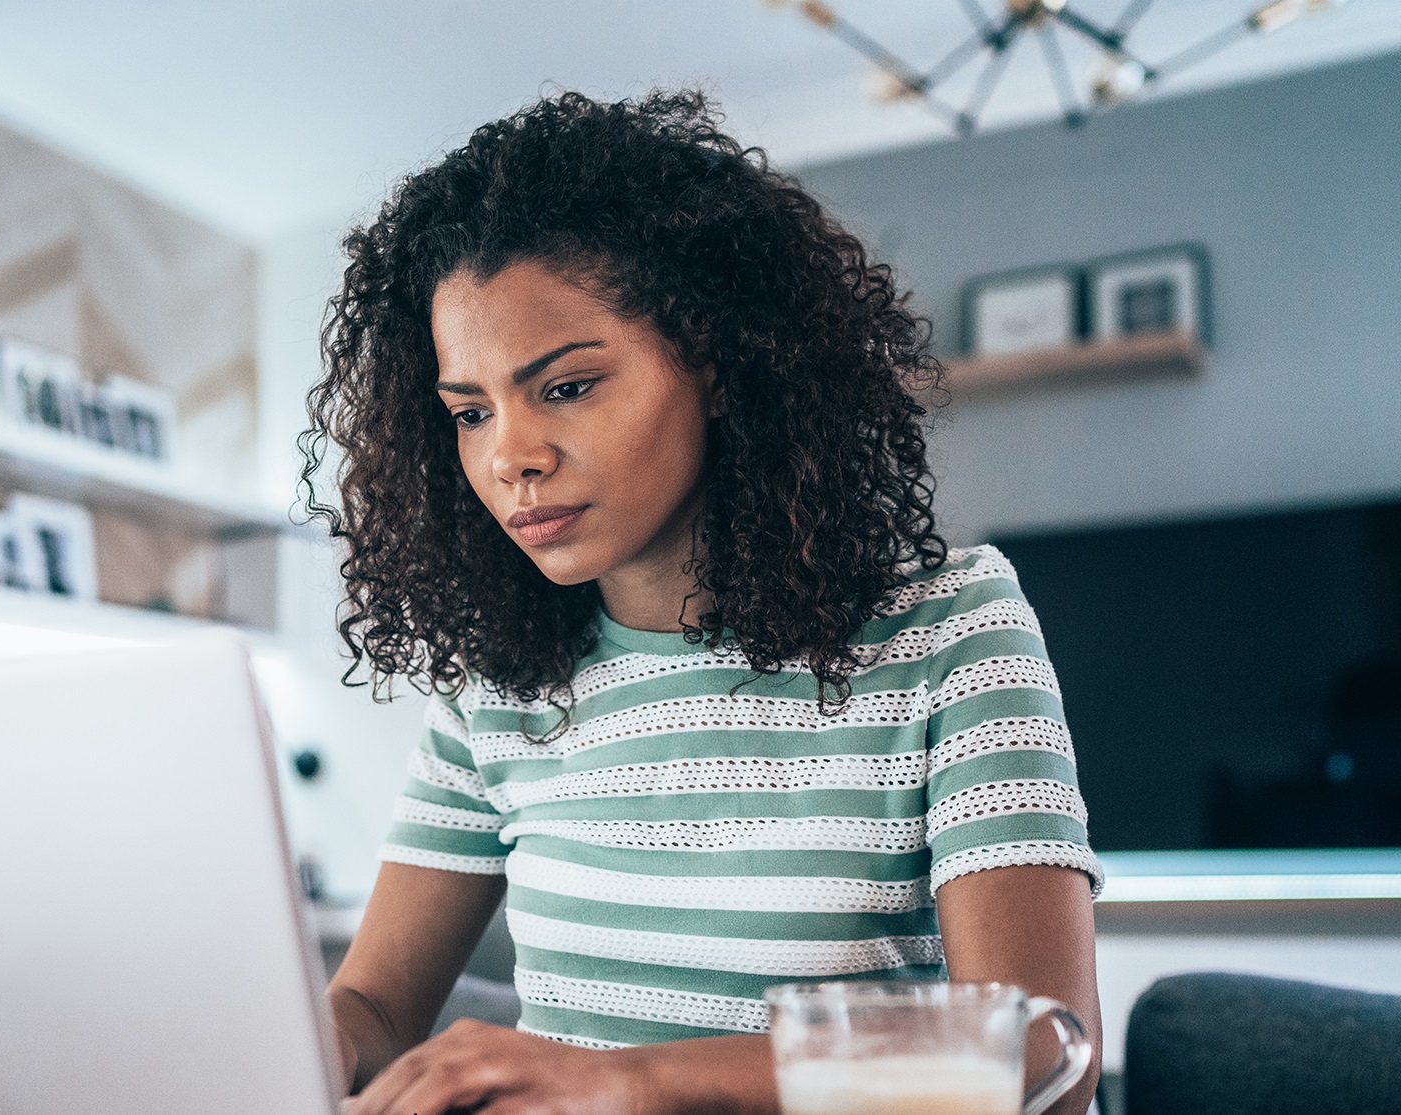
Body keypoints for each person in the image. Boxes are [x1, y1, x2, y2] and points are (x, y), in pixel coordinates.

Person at [300, 89, 1103, 1115]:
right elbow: (370, 1002)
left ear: (720, 367)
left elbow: (1045, 1050)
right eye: (468, 410)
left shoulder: (951, 628)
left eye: (568, 385)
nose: (510, 456)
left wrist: (625, 1081)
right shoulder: (491, 688)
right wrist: (298, 1036)